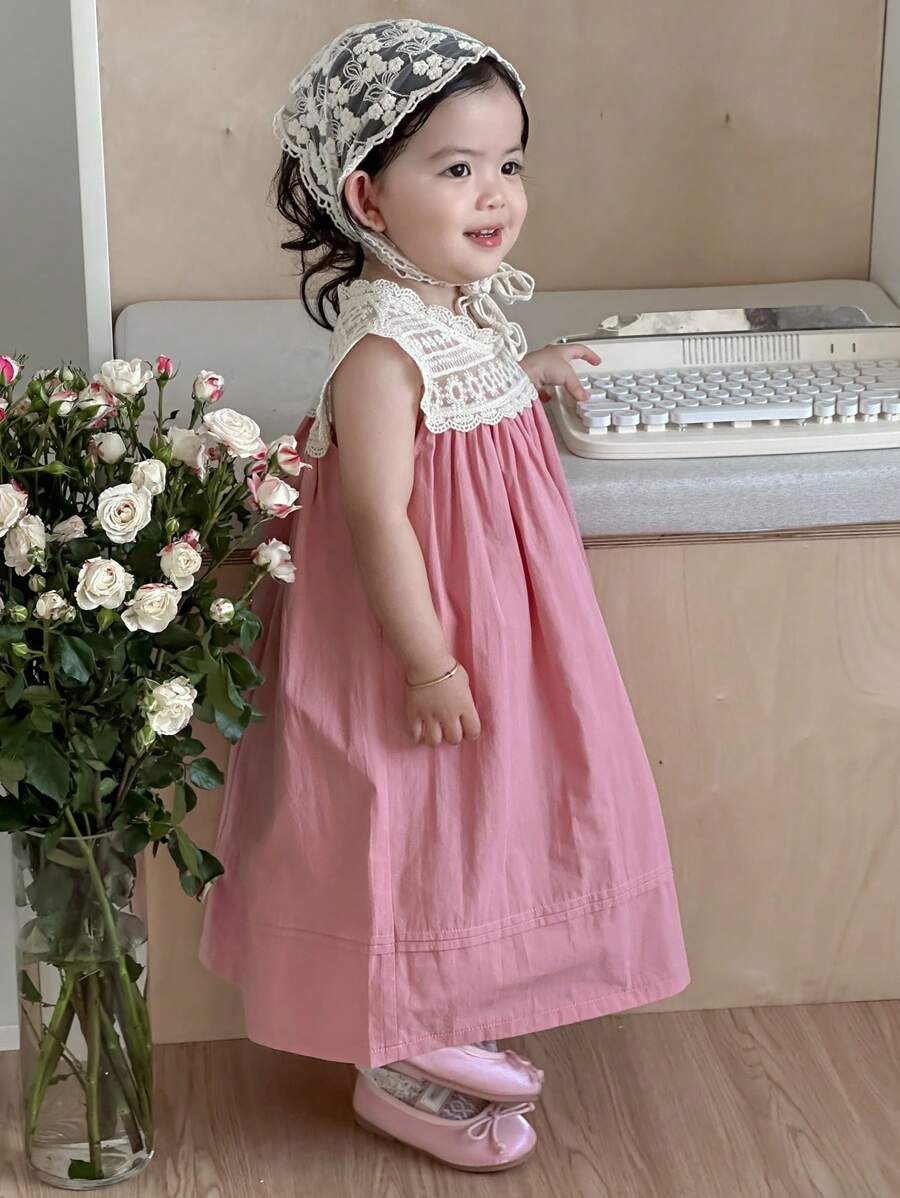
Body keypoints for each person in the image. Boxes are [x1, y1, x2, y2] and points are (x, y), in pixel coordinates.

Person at [198, 18, 691, 1173]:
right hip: (410, 627)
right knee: (406, 814)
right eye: (458, 167)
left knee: (478, 815)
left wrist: (529, 374)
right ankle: (397, 1038)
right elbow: (377, 512)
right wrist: (427, 661)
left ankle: (446, 1002)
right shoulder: (380, 347)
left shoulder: (448, 306)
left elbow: (467, 398)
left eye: (509, 163)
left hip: (495, 610)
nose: (496, 193)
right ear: (368, 199)